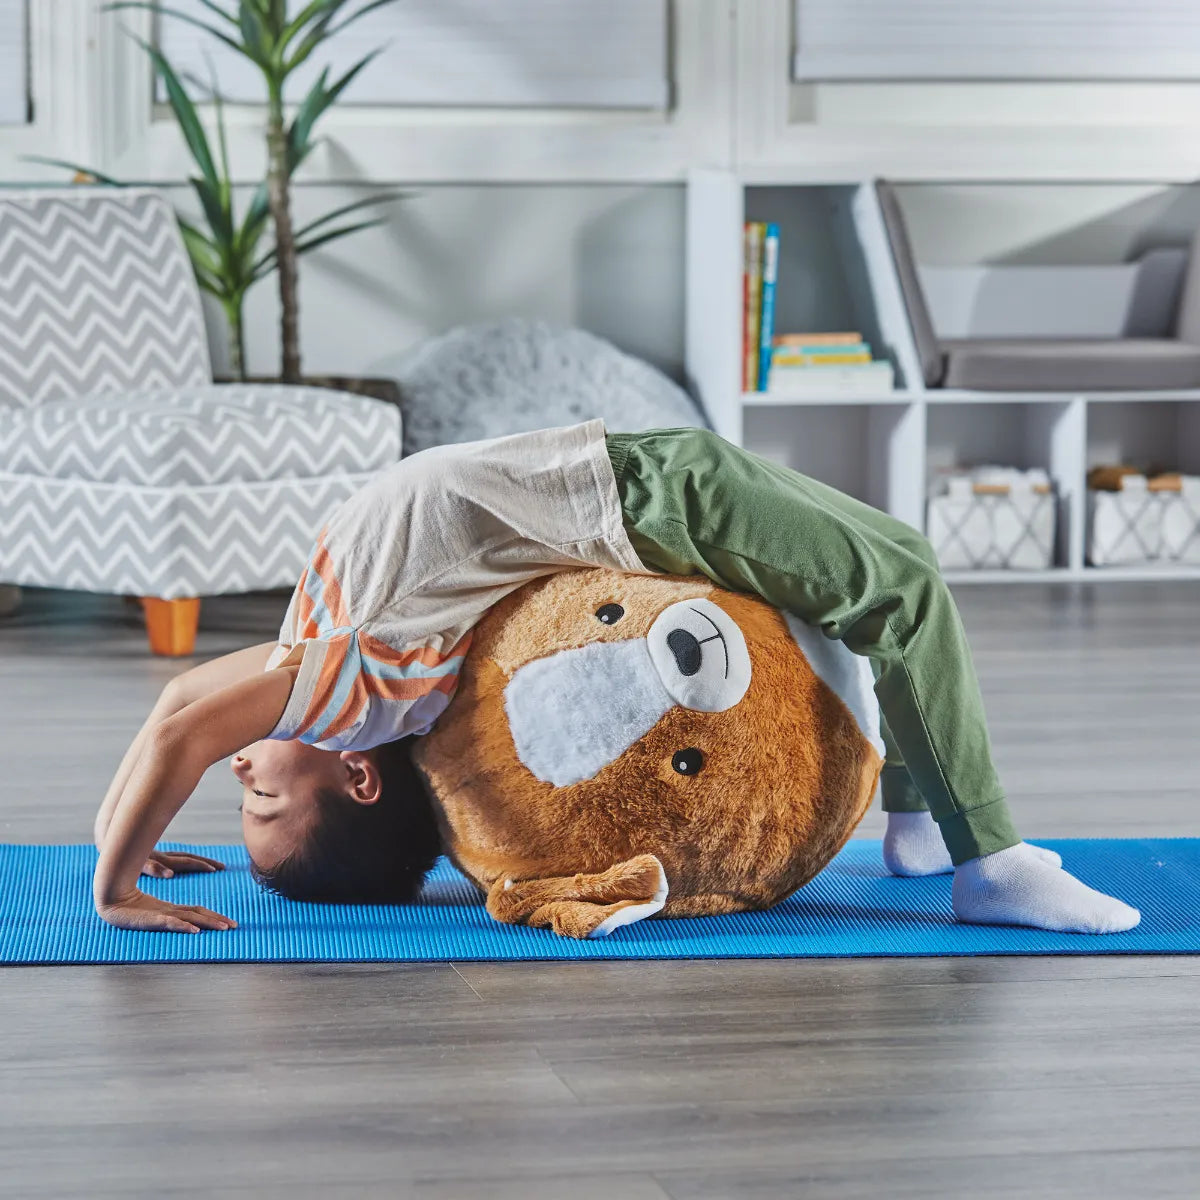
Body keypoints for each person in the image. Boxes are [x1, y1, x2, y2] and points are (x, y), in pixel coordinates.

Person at [92, 422, 1140, 935]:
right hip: (642, 493)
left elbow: (174, 715)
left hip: (627, 477)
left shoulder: (316, 674)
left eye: (241, 796)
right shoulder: (356, 693)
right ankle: (988, 866)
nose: (239, 769)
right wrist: (118, 885)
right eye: (264, 794)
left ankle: (918, 824)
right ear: (357, 773)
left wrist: (122, 856)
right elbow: (183, 730)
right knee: (902, 586)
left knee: (900, 559)